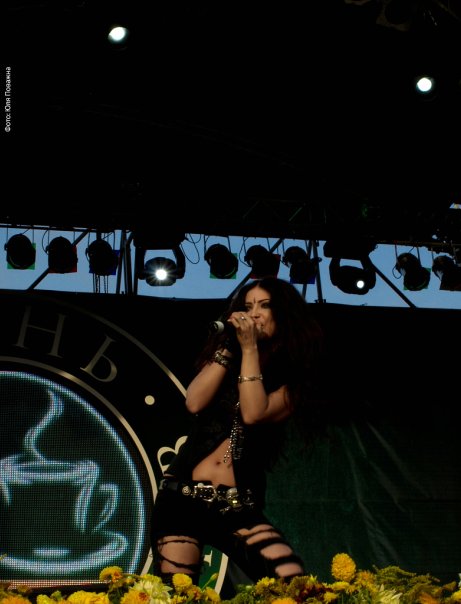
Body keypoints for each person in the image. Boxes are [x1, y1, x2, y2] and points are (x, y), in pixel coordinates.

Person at [151, 276, 325, 587]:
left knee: (293, 583)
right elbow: (194, 401)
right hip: (181, 498)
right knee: (176, 594)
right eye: (248, 306)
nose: (254, 313)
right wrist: (231, 347)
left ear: (284, 314)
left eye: (264, 305)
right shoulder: (228, 357)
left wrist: (250, 349)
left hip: (236, 506)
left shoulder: (296, 381)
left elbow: (254, 412)